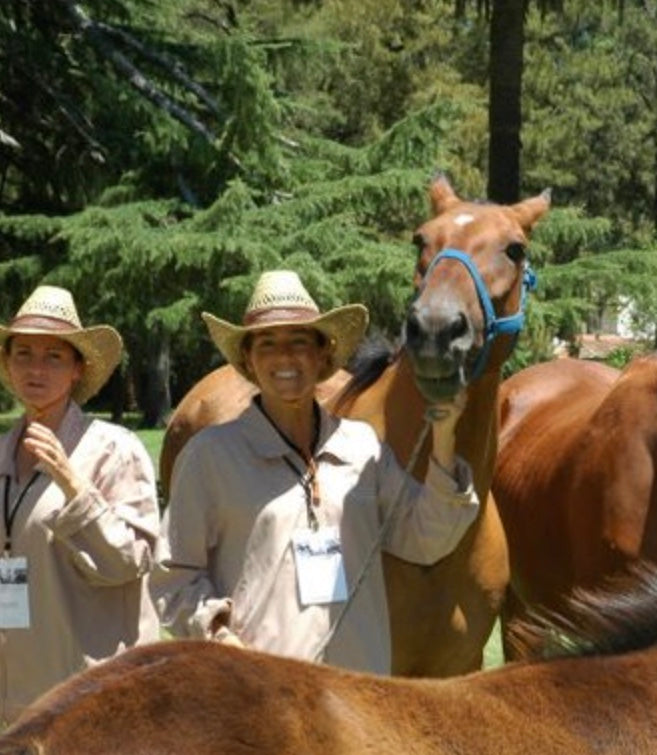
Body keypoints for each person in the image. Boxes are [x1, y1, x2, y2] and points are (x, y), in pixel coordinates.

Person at [153, 270, 479, 673]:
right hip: (259, 693)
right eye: (267, 344)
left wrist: (445, 438)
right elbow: (173, 576)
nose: (285, 357)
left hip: (358, 693)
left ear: (323, 355)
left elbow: (426, 539)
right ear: (249, 362)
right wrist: (220, 636)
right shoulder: (211, 457)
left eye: (300, 342)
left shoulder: (362, 447)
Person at [0, 285, 161, 721]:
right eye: (23, 353)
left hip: (96, 698)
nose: (36, 368)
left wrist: (75, 486)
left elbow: (132, 561)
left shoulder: (114, 450)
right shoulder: (1, 451)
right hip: (17, 697)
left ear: (77, 369)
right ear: (7, 364)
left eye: (54, 356)